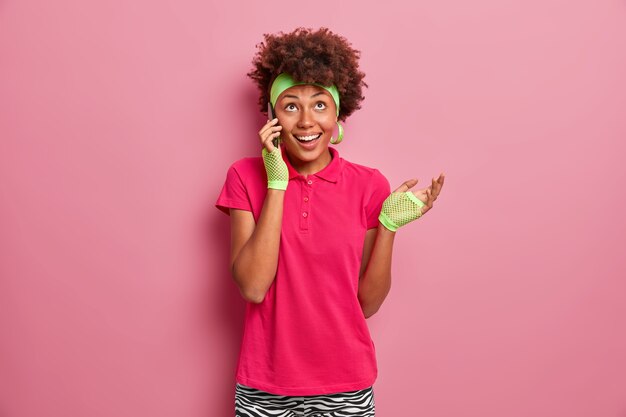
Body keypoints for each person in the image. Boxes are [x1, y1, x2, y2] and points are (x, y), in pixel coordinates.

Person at [216, 27, 445, 417]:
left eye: (320, 105)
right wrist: (276, 182)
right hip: (265, 384)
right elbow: (253, 287)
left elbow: (367, 304)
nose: (306, 121)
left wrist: (388, 224)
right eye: (291, 106)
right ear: (273, 117)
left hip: (345, 384)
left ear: (339, 112)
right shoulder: (244, 176)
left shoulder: (369, 185)